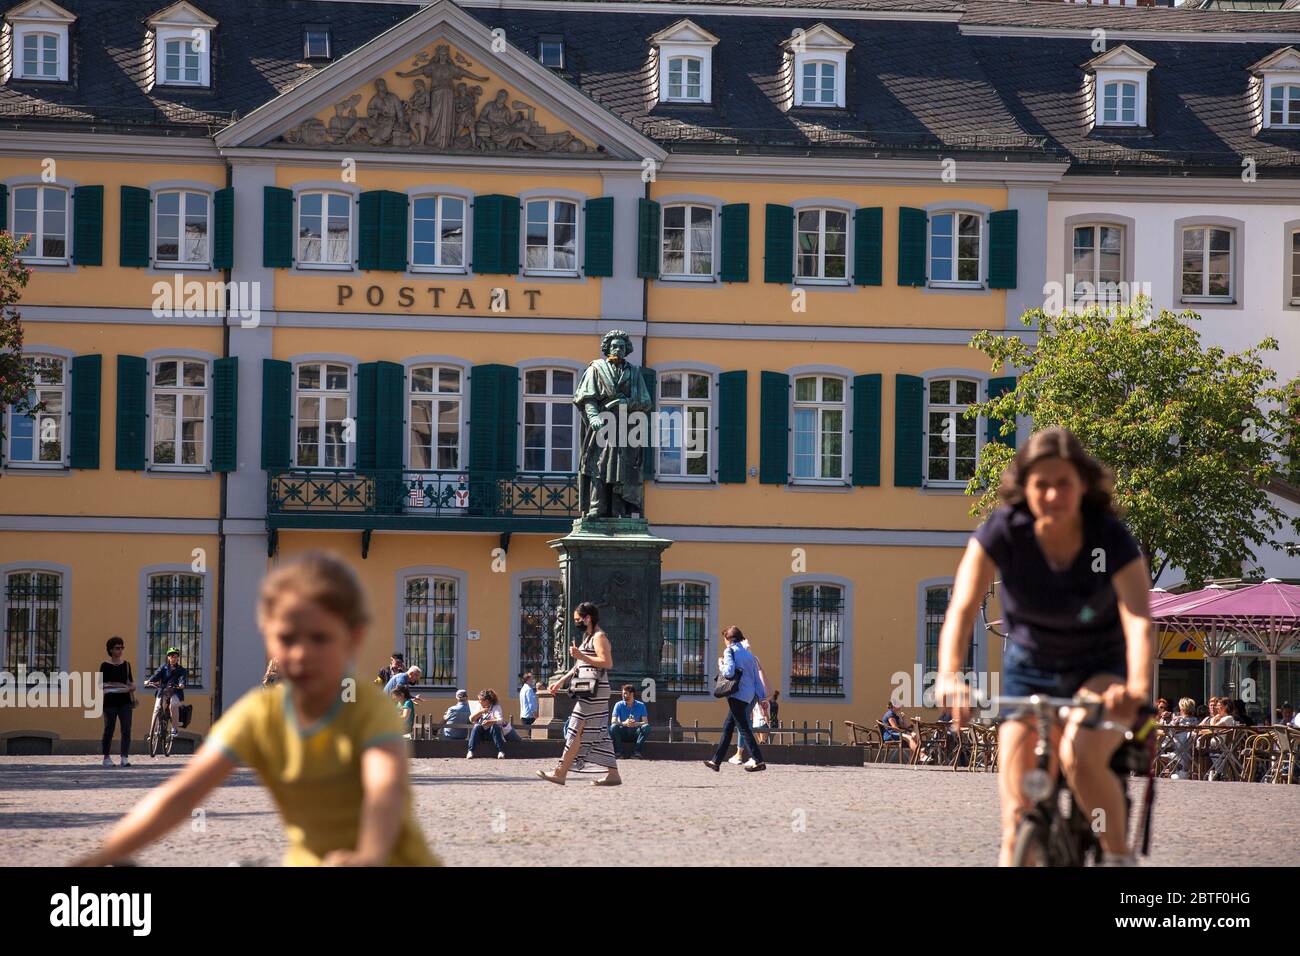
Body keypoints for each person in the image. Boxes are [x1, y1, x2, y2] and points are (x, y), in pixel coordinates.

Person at [77, 551, 437, 867]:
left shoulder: (367, 709)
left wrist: (369, 856)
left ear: (354, 638)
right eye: (287, 639)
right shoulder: (260, 713)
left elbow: (384, 788)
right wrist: (104, 854)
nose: (300, 653)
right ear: (268, 636)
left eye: (320, 638)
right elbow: (182, 793)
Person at [935, 427, 1153, 867]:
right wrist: (949, 675)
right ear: (1024, 487)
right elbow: (960, 608)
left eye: (1063, 483)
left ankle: (1117, 856)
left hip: (1098, 669)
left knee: (1080, 756)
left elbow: (1137, 619)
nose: (1052, 494)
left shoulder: (1109, 537)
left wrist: (1136, 687)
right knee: (1017, 810)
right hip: (1028, 667)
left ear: (1083, 485)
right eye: (1041, 484)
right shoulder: (1003, 531)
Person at [537, 601, 621, 786]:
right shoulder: (587, 637)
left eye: (577, 619)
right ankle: (613, 774)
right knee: (598, 732)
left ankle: (560, 772)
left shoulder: (599, 637)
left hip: (594, 692)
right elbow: (579, 665)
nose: (575, 622)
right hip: (590, 691)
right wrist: (560, 681)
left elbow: (607, 662)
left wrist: (580, 655)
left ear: (587, 618)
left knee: (575, 727)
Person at [703, 625, 767, 773]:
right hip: (748, 695)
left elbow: (729, 673)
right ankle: (716, 761)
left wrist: (721, 665)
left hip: (736, 694)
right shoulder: (748, 654)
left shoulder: (729, 651)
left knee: (744, 728)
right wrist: (761, 697)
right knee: (728, 726)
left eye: (724, 639)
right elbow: (756, 678)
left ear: (728, 639)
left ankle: (758, 760)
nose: (724, 642)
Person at [100, 636, 135, 767]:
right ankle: (106, 757)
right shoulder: (105, 666)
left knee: (126, 729)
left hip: (125, 703)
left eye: (121, 648)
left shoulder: (126, 665)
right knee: (109, 729)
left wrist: (127, 687)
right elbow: (103, 685)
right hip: (110, 704)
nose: (120, 650)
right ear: (110, 650)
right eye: (117, 648)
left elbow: (131, 683)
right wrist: (122, 687)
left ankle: (124, 757)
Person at [144, 647, 188, 740]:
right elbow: (156, 675)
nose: (174, 658)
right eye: (172, 656)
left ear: (178, 658)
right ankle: (153, 733)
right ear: (168, 657)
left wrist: (181, 684)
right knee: (157, 709)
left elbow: (182, 678)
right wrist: (149, 681)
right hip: (163, 691)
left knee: (173, 705)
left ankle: (174, 729)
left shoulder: (181, 670)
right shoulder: (163, 667)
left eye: (176, 656)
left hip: (175, 692)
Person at [466, 689, 516, 758]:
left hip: (492, 733)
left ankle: (501, 751)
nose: (479, 701)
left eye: (480, 700)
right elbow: (471, 719)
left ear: (486, 701)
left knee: (495, 726)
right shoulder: (479, 706)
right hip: (481, 733)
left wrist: (490, 722)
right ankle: (470, 751)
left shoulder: (496, 707)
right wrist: (480, 712)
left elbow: (500, 720)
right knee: (476, 726)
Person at [610, 684, 650, 758]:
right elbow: (613, 721)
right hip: (622, 732)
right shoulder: (618, 705)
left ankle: (636, 752)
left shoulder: (641, 705)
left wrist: (635, 723)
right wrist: (624, 723)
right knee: (613, 727)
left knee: (646, 727)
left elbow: (645, 722)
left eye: (625, 693)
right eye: (623, 693)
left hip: (635, 733)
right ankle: (619, 753)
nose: (623, 695)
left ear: (632, 694)